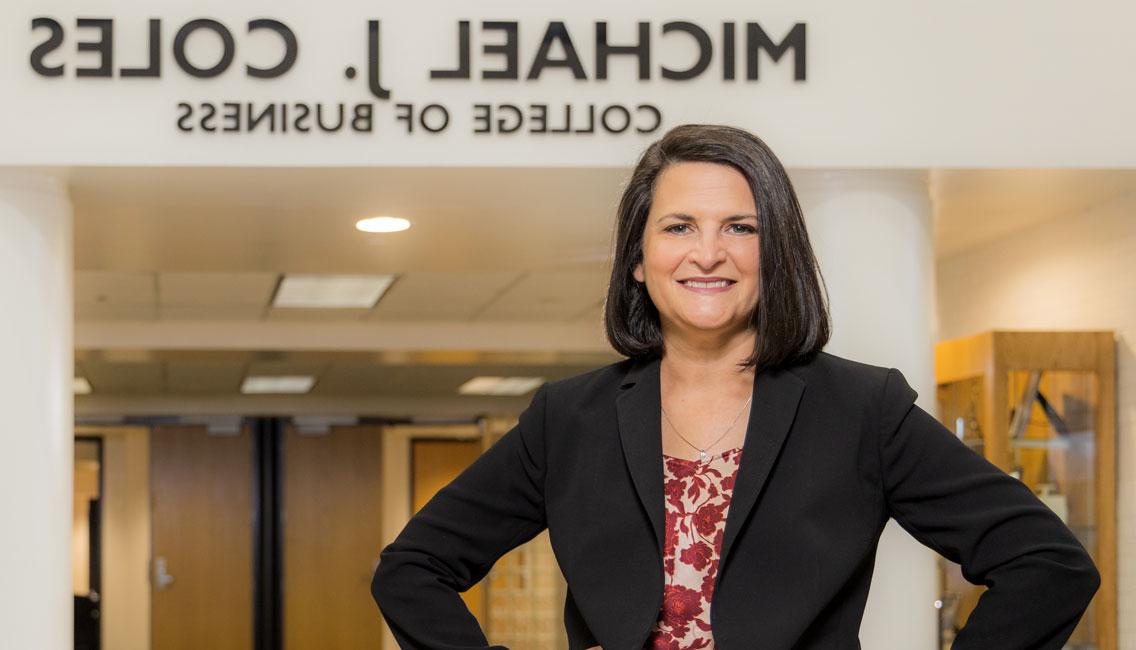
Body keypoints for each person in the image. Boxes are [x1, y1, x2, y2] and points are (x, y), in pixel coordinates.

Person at [370, 124, 1099, 650]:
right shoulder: (570, 418)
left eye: (741, 227)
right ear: (638, 258)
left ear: (774, 253)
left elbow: (1049, 567)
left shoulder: (861, 410)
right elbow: (412, 569)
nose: (708, 252)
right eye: (679, 226)